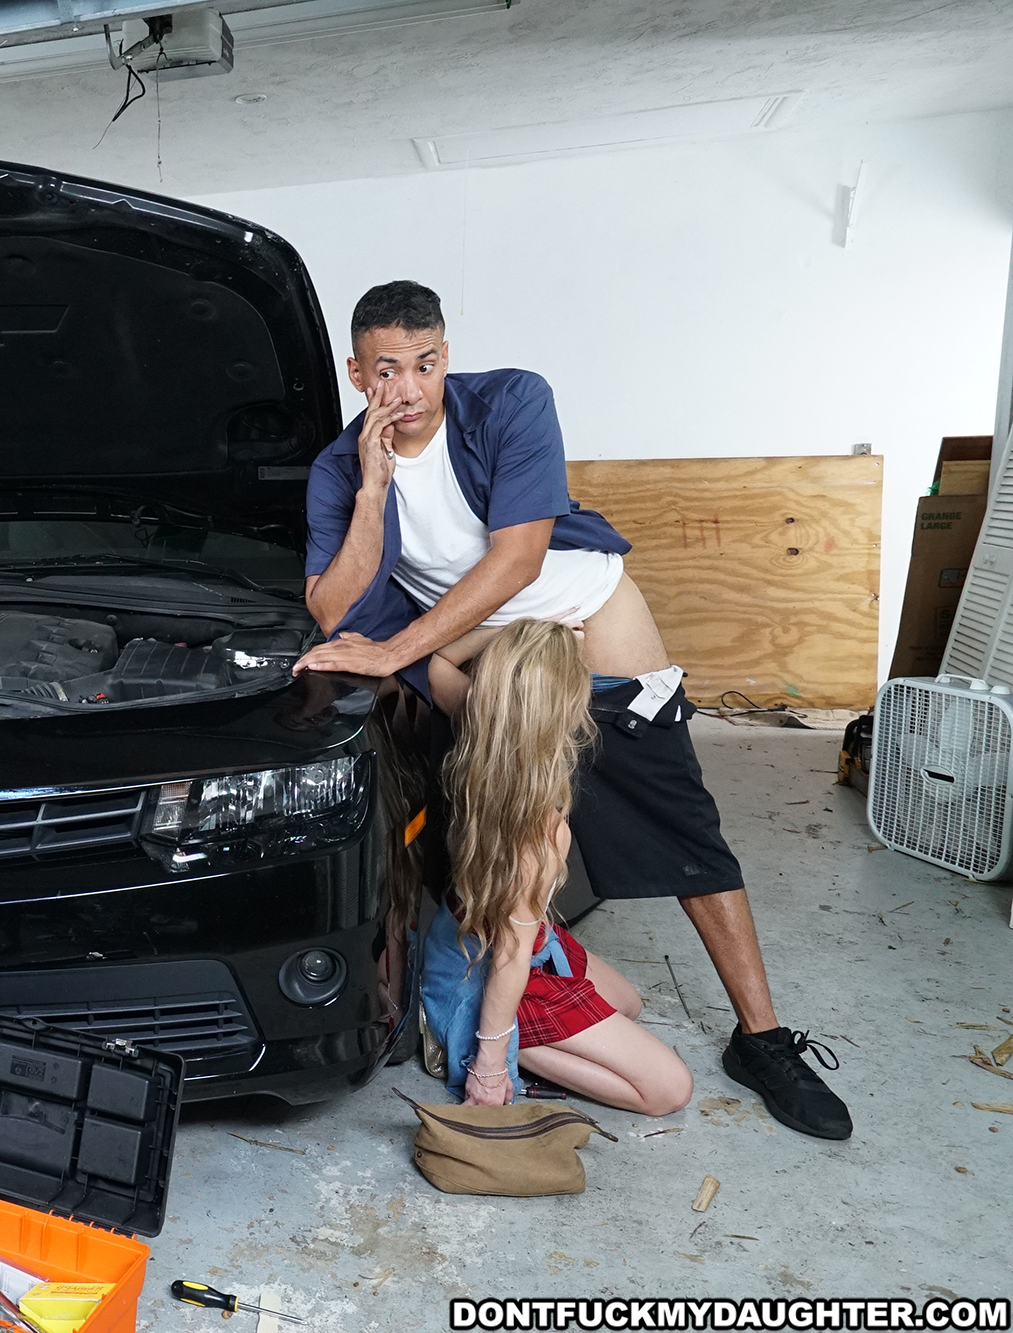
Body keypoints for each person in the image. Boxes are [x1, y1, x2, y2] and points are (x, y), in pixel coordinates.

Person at [296, 280, 850, 1140]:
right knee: (498, 838)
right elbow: (334, 608)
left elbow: (519, 561)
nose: (408, 388)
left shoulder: (512, 401)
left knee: (680, 827)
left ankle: (762, 1036)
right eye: (388, 370)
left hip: (586, 624)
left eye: (426, 364)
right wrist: (372, 492)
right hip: (484, 654)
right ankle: (484, 1011)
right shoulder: (340, 466)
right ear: (357, 372)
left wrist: (397, 649)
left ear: (447, 355)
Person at [422, 619, 692, 1112]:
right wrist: (489, 1066)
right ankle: (484, 1035)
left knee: (627, 1004)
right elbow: (510, 957)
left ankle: (504, 1029)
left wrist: (521, 630)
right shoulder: (537, 834)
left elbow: (438, 662)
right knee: (668, 1091)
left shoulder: (478, 719)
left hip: (467, 932)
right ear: (568, 709)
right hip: (491, 963)